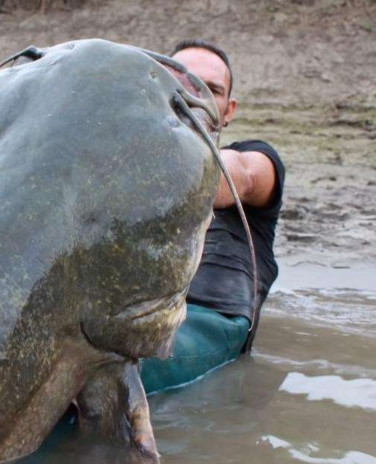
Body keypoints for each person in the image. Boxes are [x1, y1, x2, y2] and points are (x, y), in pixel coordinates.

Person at [141, 39, 286, 394]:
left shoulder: (259, 159)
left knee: (93, 374)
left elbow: (242, 175)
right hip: (122, 317)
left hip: (208, 321)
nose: (193, 95)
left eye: (211, 89)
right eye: (180, 81)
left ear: (228, 109)